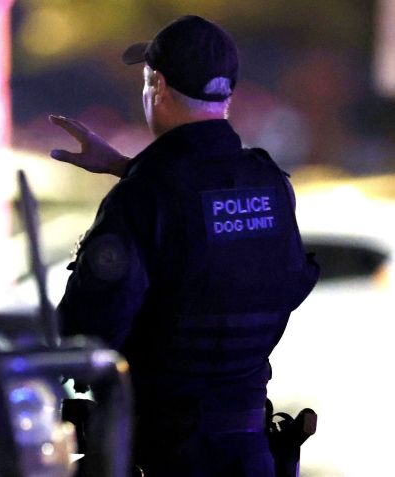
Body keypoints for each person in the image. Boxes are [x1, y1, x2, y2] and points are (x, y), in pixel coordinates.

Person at [51, 15, 319, 477]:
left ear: (156, 84)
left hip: (161, 454)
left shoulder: (142, 199)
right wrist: (127, 168)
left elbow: (87, 331)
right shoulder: (269, 183)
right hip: (250, 453)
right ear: (227, 95)